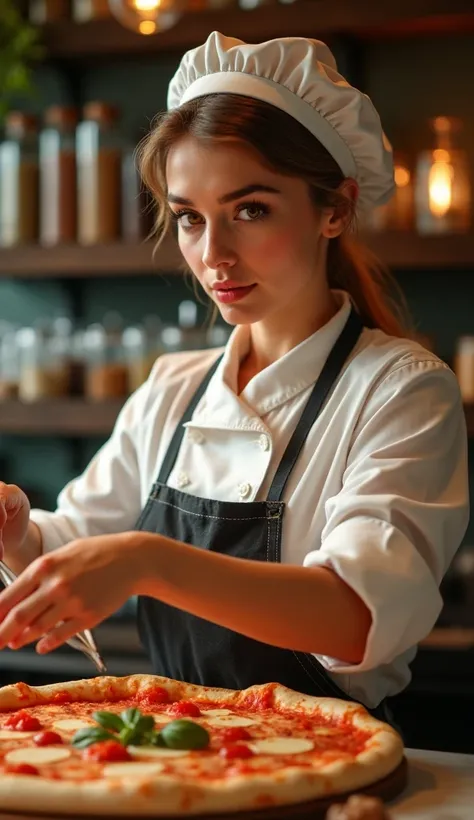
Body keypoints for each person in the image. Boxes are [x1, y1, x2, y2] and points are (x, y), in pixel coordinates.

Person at [0, 33, 469, 720]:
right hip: (180, 756)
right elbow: (74, 540)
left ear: (334, 209)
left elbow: (358, 616)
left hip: (325, 765)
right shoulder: (173, 386)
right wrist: (16, 534)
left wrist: (147, 560)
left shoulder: (400, 389)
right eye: (191, 218)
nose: (213, 255)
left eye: (251, 210)